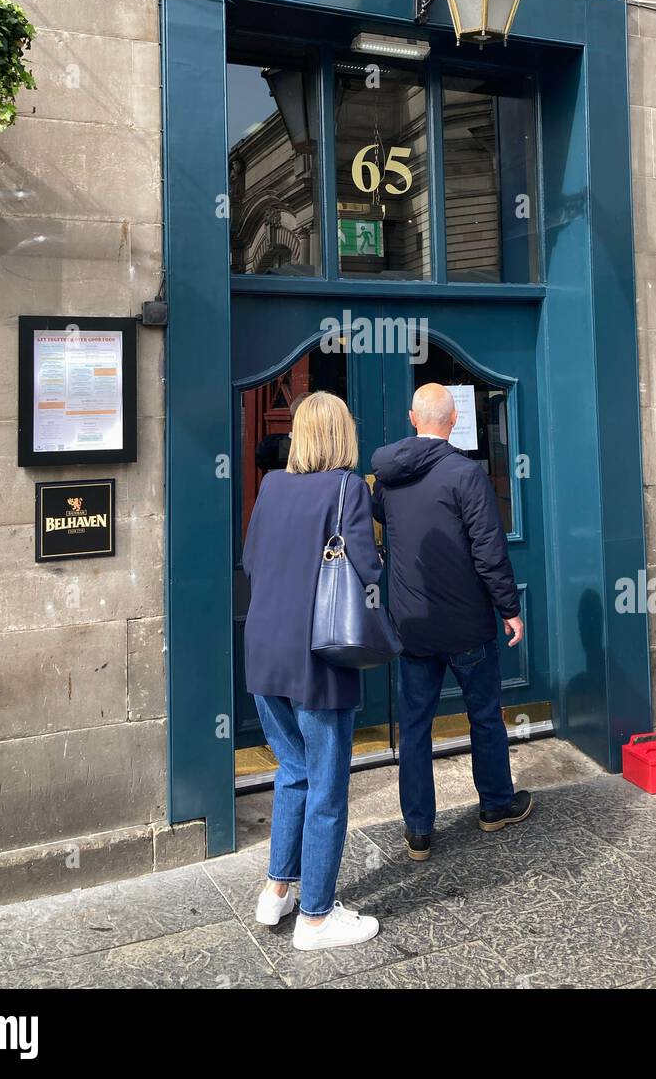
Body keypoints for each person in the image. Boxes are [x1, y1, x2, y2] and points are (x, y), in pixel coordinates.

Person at [243, 391, 383, 950]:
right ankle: (317, 917)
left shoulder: (272, 486)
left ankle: (276, 891)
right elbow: (366, 567)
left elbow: (251, 560)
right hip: (318, 656)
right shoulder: (348, 487)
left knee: (292, 771)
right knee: (326, 785)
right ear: (342, 434)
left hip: (264, 649)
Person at [371, 383, 532, 861]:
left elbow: (378, 517)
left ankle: (419, 830)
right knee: (484, 716)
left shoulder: (389, 478)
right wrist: (509, 609)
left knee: (415, 726)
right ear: (455, 420)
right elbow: (489, 551)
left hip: (413, 626)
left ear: (411, 418)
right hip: (466, 626)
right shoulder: (465, 474)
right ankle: (495, 806)